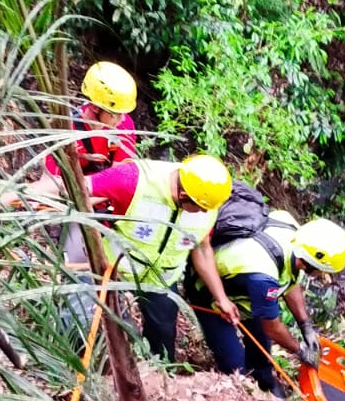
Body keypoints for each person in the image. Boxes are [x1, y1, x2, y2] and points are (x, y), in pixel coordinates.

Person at [86, 154, 239, 359]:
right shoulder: (136, 179)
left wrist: (222, 299)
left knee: (163, 340)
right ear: (184, 195)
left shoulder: (208, 204)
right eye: (200, 208)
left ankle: (159, 376)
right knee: (110, 327)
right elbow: (82, 186)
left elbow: (202, 248)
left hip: (162, 279)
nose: (204, 213)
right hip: (115, 270)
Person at [188, 214, 345, 396]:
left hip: (245, 292)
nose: (322, 274)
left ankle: (264, 380)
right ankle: (245, 391)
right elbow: (272, 328)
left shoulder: (294, 233)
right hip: (212, 297)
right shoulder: (263, 276)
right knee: (235, 366)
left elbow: (291, 281)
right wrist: (300, 351)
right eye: (322, 270)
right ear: (312, 263)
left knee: (262, 351)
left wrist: (305, 325)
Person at [44, 61, 138, 180]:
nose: (122, 118)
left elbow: (120, 179)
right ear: (94, 107)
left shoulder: (124, 126)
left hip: (103, 190)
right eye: (115, 114)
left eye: (123, 113)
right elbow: (48, 181)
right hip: (72, 191)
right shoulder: (67, 130)